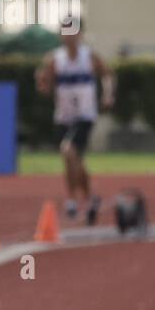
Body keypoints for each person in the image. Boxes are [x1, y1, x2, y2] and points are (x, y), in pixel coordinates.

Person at [35, 26, 115, 225]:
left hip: (85, 114)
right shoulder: (55, 59)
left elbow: (107, 75)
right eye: (65, 32)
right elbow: (45, 85)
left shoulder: (89, 56)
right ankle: (83, 198)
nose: (69, 36)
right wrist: (42, 83)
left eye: (73, 32)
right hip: (64, 116)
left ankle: (76, 199)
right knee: (72, 159)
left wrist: (107, 94)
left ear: (80, 34)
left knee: (68, 151)